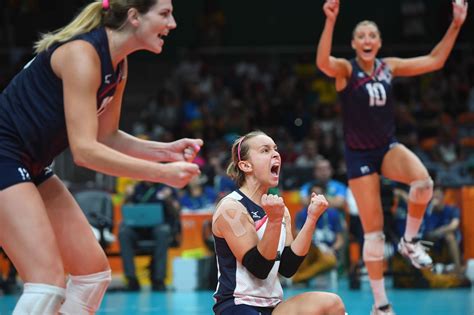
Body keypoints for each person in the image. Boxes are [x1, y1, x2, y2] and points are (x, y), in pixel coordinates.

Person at [0, 0, 202, 313]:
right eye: (164, 14)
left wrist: (165, 151)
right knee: (47, 283)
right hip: (5, 155)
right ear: (134, 17)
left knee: (92, 274)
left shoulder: (117, 65)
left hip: (31, 163)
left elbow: (106, 136)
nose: (172, 23)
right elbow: (84, 152)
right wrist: (161, 173)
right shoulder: (82, 54)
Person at [315, 0, 468, 314]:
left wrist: (456, 23)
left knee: (423, 183)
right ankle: (381, 306)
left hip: (386, 147)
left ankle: (410, 242)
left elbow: (435, 60)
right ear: (355, 44)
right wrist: (330, 21)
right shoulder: (346, 70)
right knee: (373, 233)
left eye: (373, 35)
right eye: (362, 36)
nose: (368, 40)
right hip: (359, 156)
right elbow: (322, 63)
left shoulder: (388, 66)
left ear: (379, 43)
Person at [212, 131, 346, 315]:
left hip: (273, 305)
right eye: (265, 150)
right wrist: (274, 221)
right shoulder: (231, 208)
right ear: (245, 165)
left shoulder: (279, 208)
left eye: (275, 149)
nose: (276, 154)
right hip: (236, 304)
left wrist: (312, 219)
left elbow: (288, 267)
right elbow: (259, 267)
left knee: (332, 304)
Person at [119, 181, 181, 291]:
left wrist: (169, 199)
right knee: (124, 232)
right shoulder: (136, 188)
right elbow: (126, 210)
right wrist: (128, 196)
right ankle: (131, 279)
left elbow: (176, 212)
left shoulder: (166, 188)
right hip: (137, 229)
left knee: (163, 231)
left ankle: (159, 279)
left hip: (159, 227)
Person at [293, 182, 344, 284]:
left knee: (330, 261)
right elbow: (297, 236)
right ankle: (300, 277)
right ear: (308, 197)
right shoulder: (301, 214)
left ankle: (299, 278)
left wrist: (331, 249)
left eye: (319, 195)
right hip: (310, 249)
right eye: (313, 195)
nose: (316, 198)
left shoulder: (334, 214)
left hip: (327, 250)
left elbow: (340, 240)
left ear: (325, 197)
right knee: (299, 256)